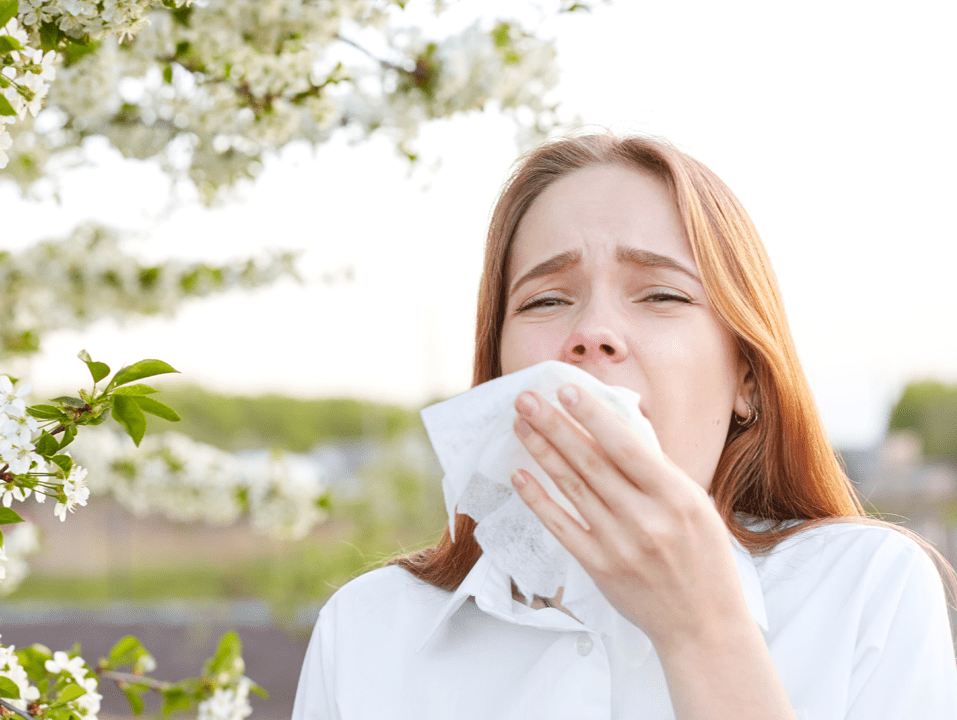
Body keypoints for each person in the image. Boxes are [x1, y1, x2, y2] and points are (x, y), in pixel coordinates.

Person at [291, 132, 957, 719]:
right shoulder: (364, 631)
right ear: (496, 374)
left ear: (747, 380)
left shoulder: (871, 589)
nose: (593, 334)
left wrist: (703, 631)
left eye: (661, 295)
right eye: (546, 300)